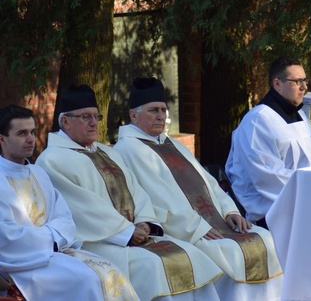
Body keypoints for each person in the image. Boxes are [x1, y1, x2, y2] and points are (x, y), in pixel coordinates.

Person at [36, 84, 225, 301]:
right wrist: (127, 232)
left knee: (191, 254)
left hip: (136, 235)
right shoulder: (52, 160)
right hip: (100, 243)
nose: (93, 123)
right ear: (65, 121)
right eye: (85, 117)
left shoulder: (108, 152)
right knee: (154, 265)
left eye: (95, 116)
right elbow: (83, 209)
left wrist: (145, 221)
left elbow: (137, 191)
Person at [114, 77, 283, 301]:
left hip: (214, 221)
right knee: (230, 251)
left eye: (163, 110)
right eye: (153, 110)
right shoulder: (128, 149)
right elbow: (157, 198)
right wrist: (197, 228)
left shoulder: (168, 142)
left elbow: (208, 181)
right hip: (184, 229)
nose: (161, 116)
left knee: (265, 239)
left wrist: (229, 211)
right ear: (133, 115)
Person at [0, 105, 138, 301]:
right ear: (2, 139)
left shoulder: (38, 173)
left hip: (55, 254)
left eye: (32, 132)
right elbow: (7, 238)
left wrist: (53, 239)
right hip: (22, 266)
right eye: (22, 133)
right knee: (88, 279)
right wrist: (52, 238)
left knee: (111, 272)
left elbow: (64, 218)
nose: (31, 139)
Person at [225, 58, 311, 226]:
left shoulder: (301, 116)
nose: (304, 87)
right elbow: (268, 176)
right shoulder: (258, 120)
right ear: (277, 83)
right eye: (297, 81)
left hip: (303, 194)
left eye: (304, 80)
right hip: (267, 208)